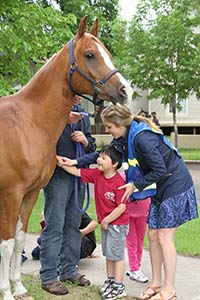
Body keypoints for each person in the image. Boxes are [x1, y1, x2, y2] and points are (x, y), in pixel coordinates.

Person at [99, 104, 198, 300]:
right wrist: (77, 163)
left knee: (163, 237)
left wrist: (134, 185)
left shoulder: (142, 138)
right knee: (152, 235)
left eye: (109, 126)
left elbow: (159, 170)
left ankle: (169, 290)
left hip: (175, 182)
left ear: (119, 125)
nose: (106, 130)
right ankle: (156, 284)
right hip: (161, 185)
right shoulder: (125, 137)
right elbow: (104, 155)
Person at [40, 95, 96, 295]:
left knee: (73, 225)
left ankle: (69, 270)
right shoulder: (53, 112)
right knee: (54, 225)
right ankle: (48, 276)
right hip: (57, 176)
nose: (78, 97)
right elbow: (41, 141)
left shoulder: (83, 115)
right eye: (74, 93)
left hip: (79, 176)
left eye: (80, 94)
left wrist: (85, 140)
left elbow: (93, 145)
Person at [57, 144, 130, 300]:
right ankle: (111, 281)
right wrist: (63, 164)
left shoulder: (119, 182)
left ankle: (119, 286)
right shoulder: (98, 174)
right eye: (99, 157)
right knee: (109, 254)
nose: (99, 160)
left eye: (104, 158)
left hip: (117, 224)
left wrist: (106, 220)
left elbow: (122, 207)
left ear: (115, 164)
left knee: (117, 256)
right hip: (107, 223)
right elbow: (78, 172)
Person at [31, 211, 97, 260]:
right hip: (65, 241)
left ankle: (59, 255)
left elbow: (94, 224)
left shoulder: (77, 212)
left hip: (83, 242)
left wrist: (81, 232)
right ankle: (55, 252)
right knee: (35, 252)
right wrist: (45, 220)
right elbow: (46, 233)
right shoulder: (56, 214)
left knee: (44, 241)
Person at [126, 198, 150, 283]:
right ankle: (134, 268)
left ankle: (136, 266)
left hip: (143, 211)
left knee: (140, 241)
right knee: (131, 242)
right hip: (128, 211)